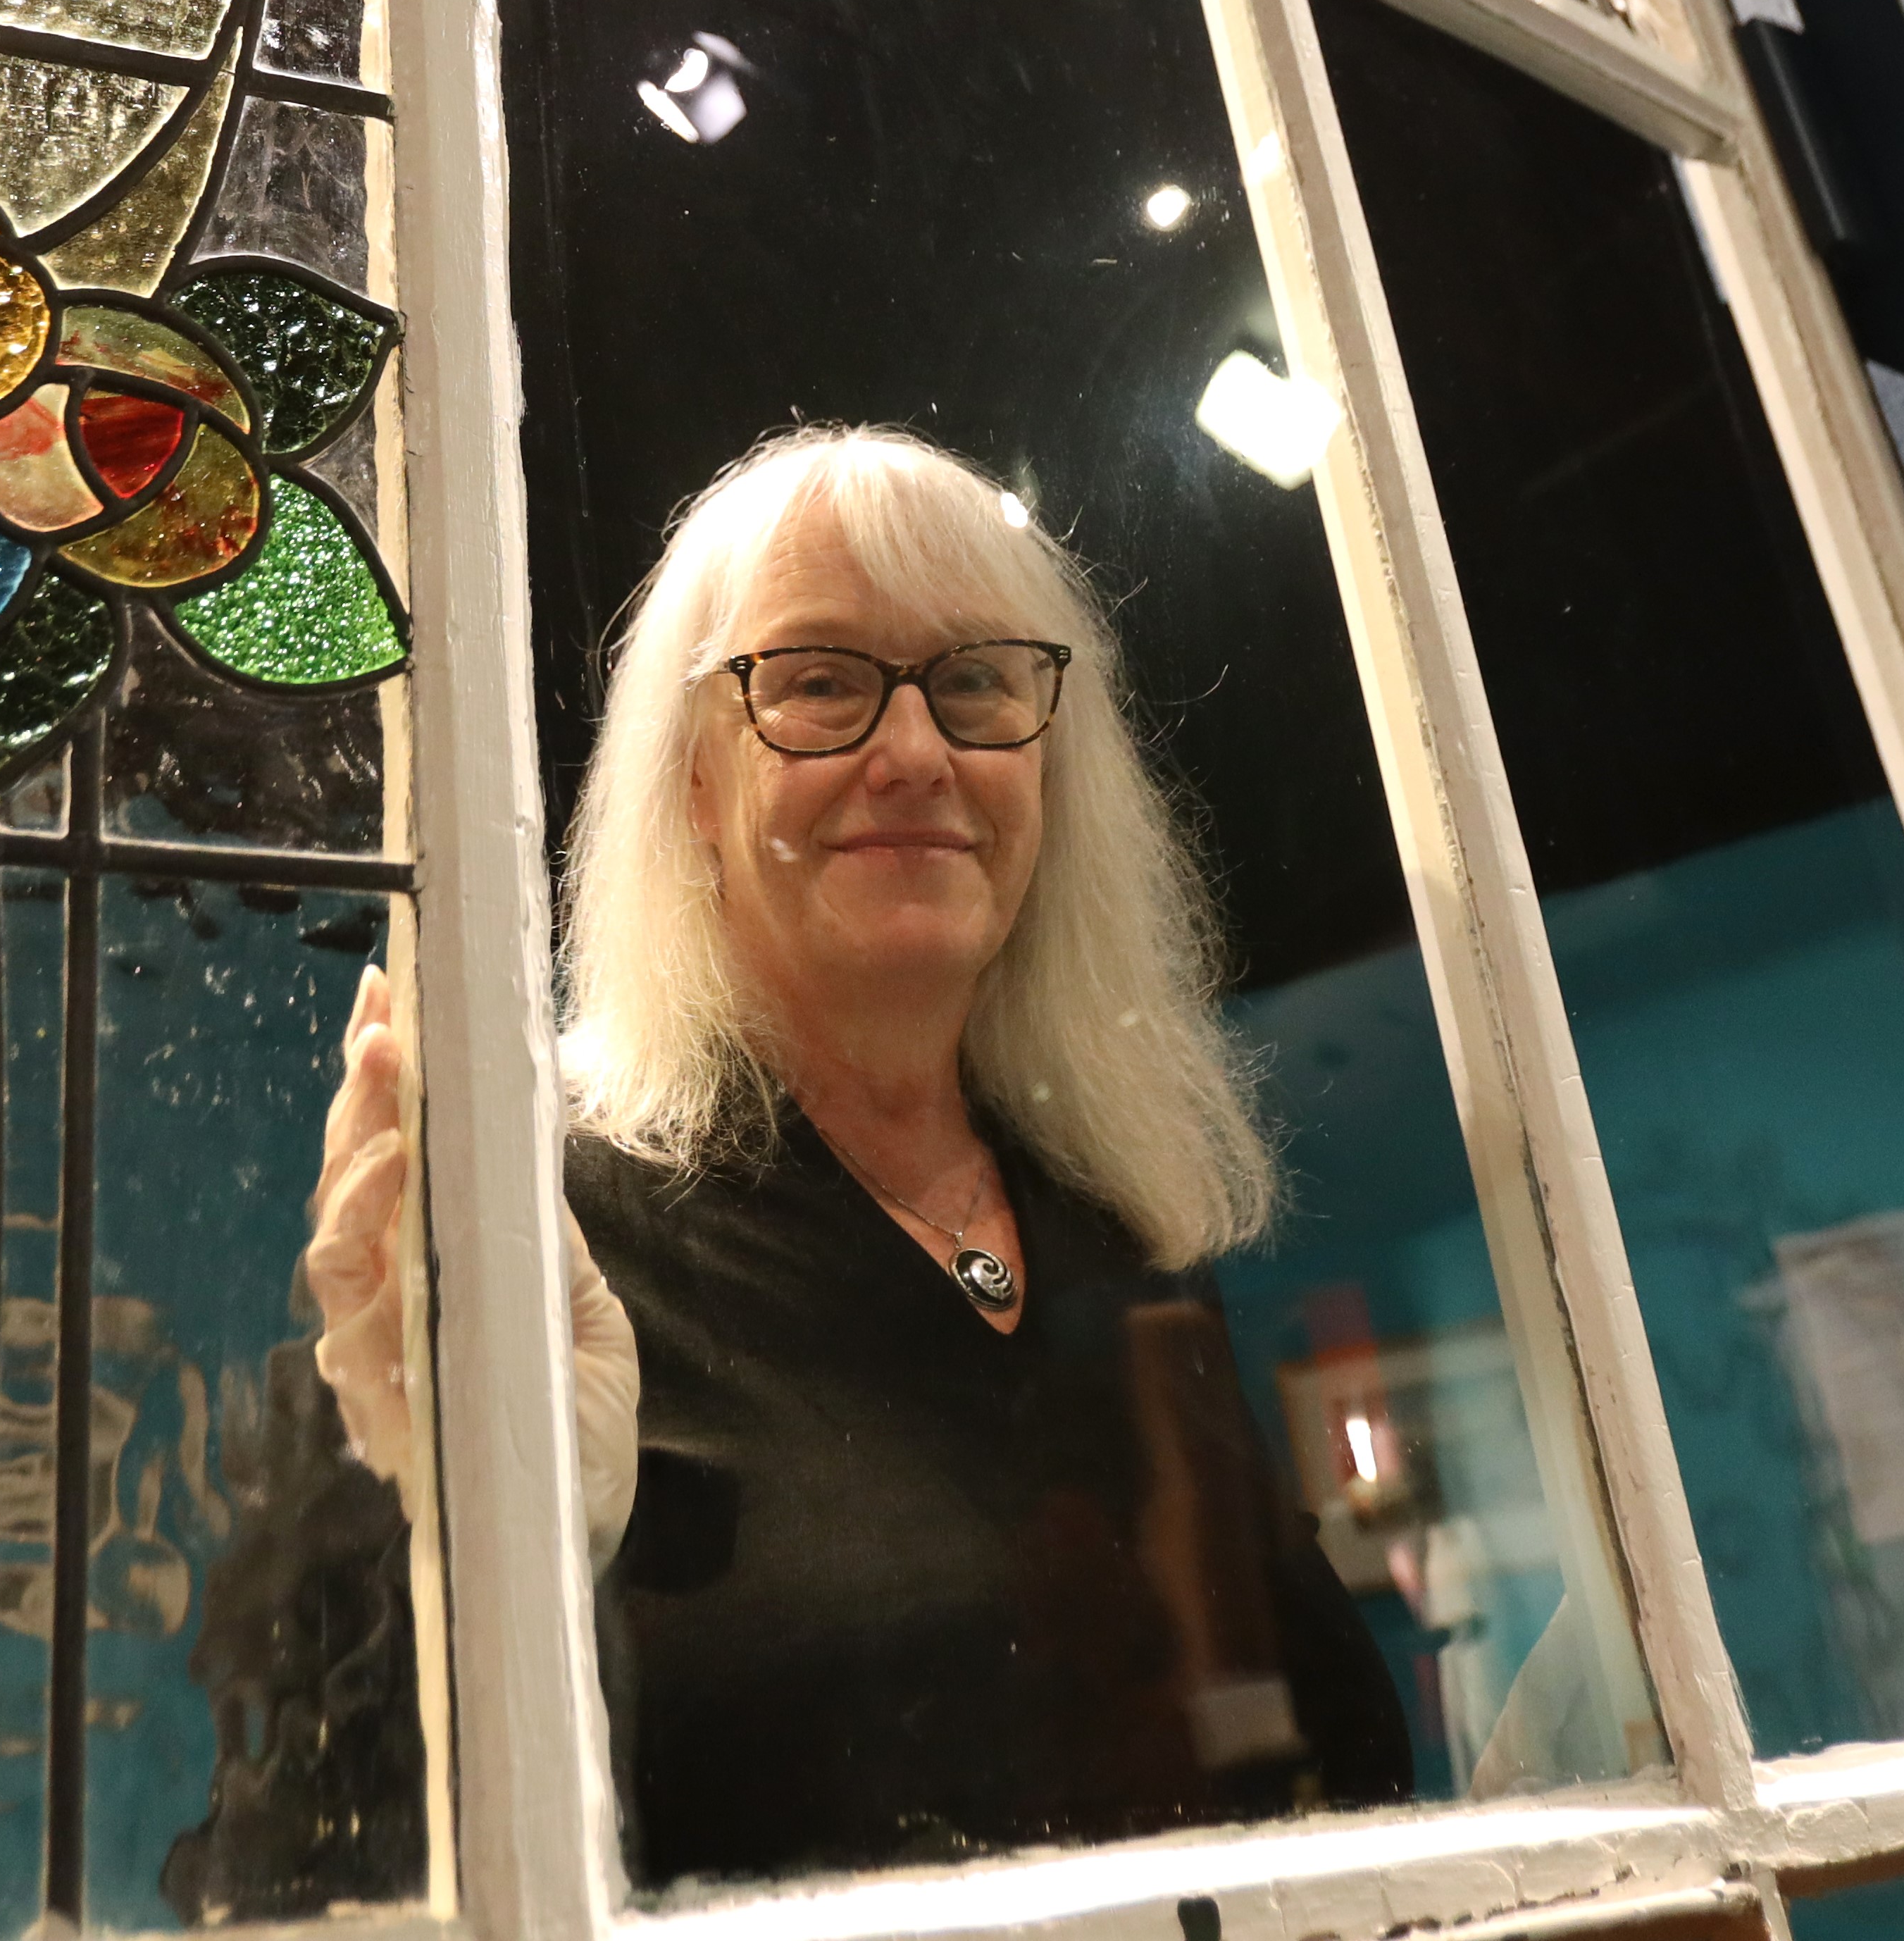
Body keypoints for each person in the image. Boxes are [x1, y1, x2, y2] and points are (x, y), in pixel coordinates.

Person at [301, 426, 1411, 1887]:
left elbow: (1330, 1763)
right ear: (693, 785)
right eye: (820, 681)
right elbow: (325, 1839)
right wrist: (467, 1548)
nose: (917, 753)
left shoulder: (1116, 1242)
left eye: (978, 682)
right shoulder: (538, 1218)